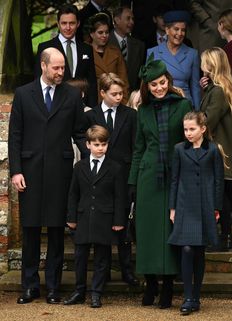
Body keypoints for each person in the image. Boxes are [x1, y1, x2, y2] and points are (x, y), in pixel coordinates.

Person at [8, 47, 85, 304]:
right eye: (56, 68)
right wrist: (16, 170)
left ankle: (53, 287)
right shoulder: (22, 94)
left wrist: (96, 161)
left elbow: (81, 134)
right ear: (43, 66)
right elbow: (15, 136)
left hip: (60, 172)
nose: (61, 72)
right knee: (30, 231)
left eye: (63, 67)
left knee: (55, 232)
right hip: (28, 172)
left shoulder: (72, 96)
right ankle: (29, 287)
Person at [128, 54, 192, 308]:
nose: (159, 88)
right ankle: (151, 283)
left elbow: (189, 143)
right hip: (148, 176)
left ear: (168, 80)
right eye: (153, 84)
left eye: (162, 82)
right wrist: (133, 182)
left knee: (169, 231)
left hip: (175, 176)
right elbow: (138, 148)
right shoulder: (142, 111)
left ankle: (167, 286)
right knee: (147, 232)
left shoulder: (183, 106)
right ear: (147, 87)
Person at [81, 72, 138, 287]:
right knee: (101, 226)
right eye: (114, 94)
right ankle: (101, 273)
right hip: (99, 177)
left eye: (122, 93)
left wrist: (133, 179)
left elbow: (136, 147)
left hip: (123, 175)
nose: (119, 97)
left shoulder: (130, 115)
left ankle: (126, 269)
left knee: (123, 225)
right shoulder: (91, 115)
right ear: (102, 92)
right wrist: (88, 154)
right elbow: (80, 134)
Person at [168, 111, 224, 315]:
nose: (188, 133)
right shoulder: (179, 149)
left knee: (199, 251)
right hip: (184, 205)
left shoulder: (213, 151)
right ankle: (188, 296)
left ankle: (196, 297)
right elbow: (174, 179)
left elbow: (219, 181)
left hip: (205, 206)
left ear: (203, 129)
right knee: (187, 249)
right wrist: (172, 207)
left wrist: (217, 207)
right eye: (185, 129)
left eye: (192, 129)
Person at [64, 125, 125, 308]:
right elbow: (73, 194)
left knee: (102, 258)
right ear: (88, 144)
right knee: (80, 257)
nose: (100, 148)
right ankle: (79, 291)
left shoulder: (115, 167)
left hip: (105, 219)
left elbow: (119, 196)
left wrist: (119, 221)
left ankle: (97, 293)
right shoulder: (79, 167)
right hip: (83, 218)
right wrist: (71, 217)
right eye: (96, 144)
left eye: (104, 144)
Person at [200, 47, 232, 251]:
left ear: (211, 65)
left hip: (221, 151)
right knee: (224, 196)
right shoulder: (224, 86)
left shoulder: (218, 91)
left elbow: (208, 120)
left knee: (221, 196)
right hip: (227, 150)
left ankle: (225, 238)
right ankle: (226, 237)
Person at [35, 4, 97, 107]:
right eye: (64, 23)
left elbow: (92, 82)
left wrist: (92, 110)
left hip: (82, 107)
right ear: (58, 24)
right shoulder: (45, 47)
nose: (68, 27)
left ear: (78, 24)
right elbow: (39, 80)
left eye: (72, 23)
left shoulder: (86, 49)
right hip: (55, 105)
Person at [147, 10, 201, 110]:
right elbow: (148, 84)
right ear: (167, 30)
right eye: (176, 29)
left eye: (183, 30)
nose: (180, 33)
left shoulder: (192, 54)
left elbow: (195, 87)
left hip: (184, 104)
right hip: (160, 105)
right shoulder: (153, 53)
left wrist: (197, 112)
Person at [88, 13, 129, 103]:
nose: (104, 35)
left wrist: (124, 103)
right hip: (94, 101)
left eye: (106, 32)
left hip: (115, 99)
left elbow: (123, 80)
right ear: (92, 34)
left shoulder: (115, 51)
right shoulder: (85, 51)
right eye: (100, 32)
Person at [109, 6, 145, 92]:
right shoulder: (105, 41)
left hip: (132, 96)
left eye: (133, 19)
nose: (132, 22)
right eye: (128, 19)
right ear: (117, 20)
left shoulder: (139, 45)